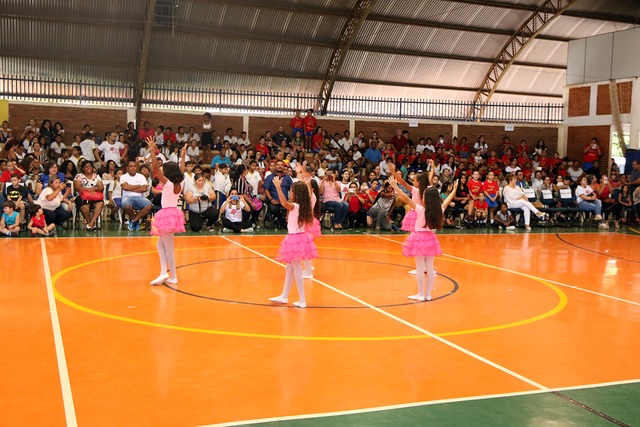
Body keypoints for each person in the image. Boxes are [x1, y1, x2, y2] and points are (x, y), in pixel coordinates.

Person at [389, 176, 458, 301]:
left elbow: (405, 198)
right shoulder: (439, 211)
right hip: (431, 238)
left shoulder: (421, 210)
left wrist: (394, 186)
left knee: (420, 267)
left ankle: (421, 294)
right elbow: (447, 201)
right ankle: (429, 294)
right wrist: (454, 190)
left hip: (419, 238)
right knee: (430, 267)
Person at [269, 176, 318, 309]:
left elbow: (284, 203)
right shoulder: (304, 205)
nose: (290, 193)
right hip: (299, 238)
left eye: (291, 191)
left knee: (296, 269)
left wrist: (278, 187)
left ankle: (302, 299)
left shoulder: (296, 206)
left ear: (296, 194)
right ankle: (284, 295)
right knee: (289, 267)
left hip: (295, 239)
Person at [147, 138, 186, 286]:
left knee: (168, 247)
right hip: (173, 213)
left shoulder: (168, 183)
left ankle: (170, 274)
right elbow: (181, 170)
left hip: (166, 214)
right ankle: (165, 272)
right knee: (160, 244)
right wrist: (182, 156)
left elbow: (155, 169)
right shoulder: (180, 183)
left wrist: (152, 150)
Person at [120, 160, 154, 231]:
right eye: (131, 166)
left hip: (140, 197)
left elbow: (144, 188)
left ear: (137, 167)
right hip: (127, 197)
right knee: (127, 206)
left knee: (149, 205)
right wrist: (138, 186)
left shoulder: (141, 177)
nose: (133, 168)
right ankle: (136, 221)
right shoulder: (123, 177)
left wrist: (130, 187)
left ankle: (133, 221)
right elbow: (125, 187)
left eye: (134, 166)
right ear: (127, 168)